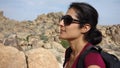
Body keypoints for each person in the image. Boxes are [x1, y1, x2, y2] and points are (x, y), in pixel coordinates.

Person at [59, 2, 106, 68]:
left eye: (67, 20)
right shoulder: (69, 52)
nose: (61, 23)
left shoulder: (92, 58)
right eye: (62, 19)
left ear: (85, 28)